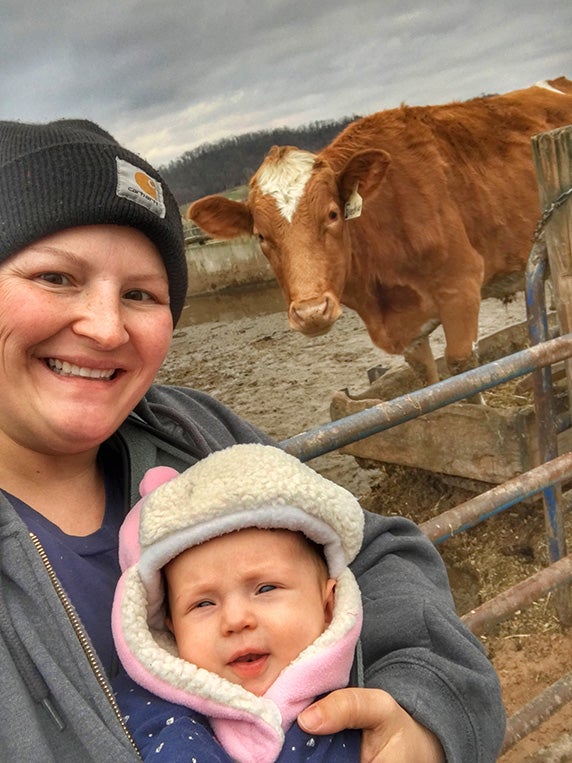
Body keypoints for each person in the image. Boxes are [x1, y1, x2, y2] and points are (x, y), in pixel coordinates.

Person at [0, 117, 505, 762]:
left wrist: (425, 714)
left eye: (141, 293)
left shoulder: (193, 433)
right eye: (54, 277)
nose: (105, 328)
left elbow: (374, 552)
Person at [112, 442, 365, 761]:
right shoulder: (158, 715)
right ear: (172, 629)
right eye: (203, 604)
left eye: (266, 588)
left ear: (329, 606)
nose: (235, 620)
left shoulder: (365, 696)